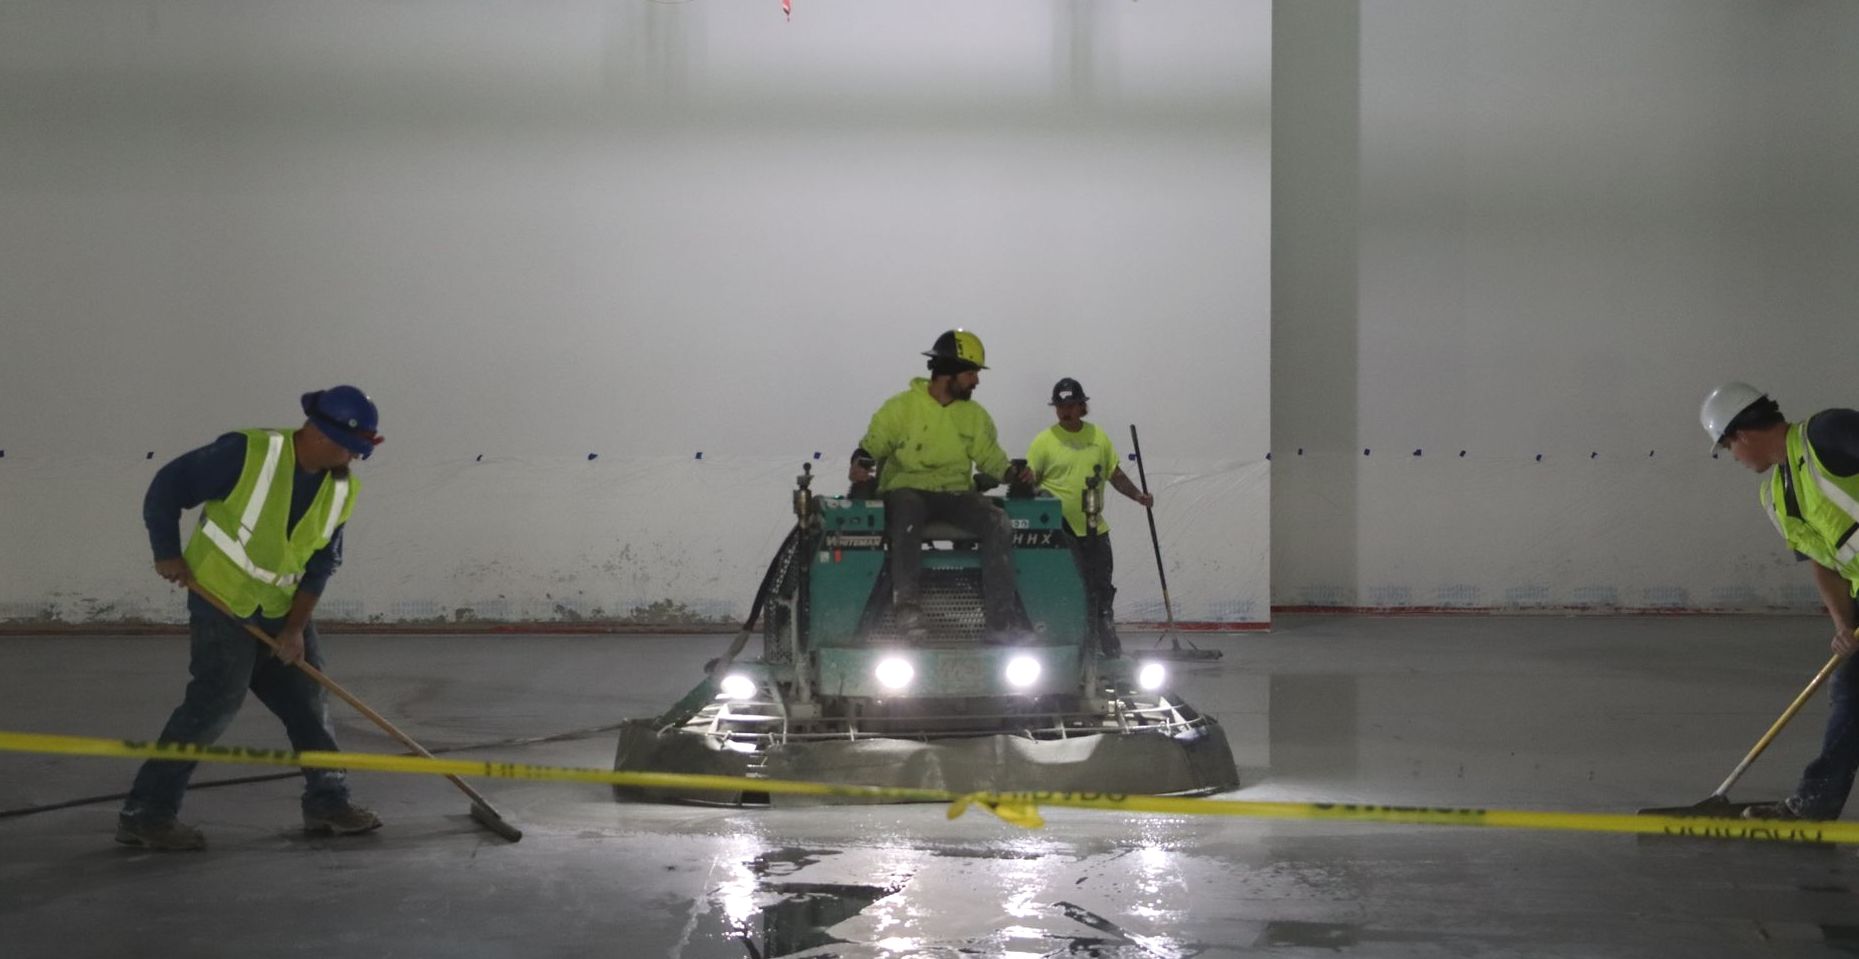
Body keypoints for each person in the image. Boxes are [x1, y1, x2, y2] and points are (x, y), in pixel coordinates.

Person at [116, 386, 385, 850]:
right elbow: (167, 488)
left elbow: (322, 563)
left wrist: (296, 629)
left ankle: (328, 801)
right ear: (318, 433)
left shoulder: (341, 486)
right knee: (213, 707)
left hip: (282, 609)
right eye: (349, 448)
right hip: (222, 600)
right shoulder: (248, 453)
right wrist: (166, 552)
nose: (354, 459)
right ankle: (147, 814)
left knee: (310, 704)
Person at [1702, 382, 1859, 822]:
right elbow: (1823, 564)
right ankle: (1815, 803)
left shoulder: (1828, 433)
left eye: (1728, 448)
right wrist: (1843, 627)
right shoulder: (1774, 496)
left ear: (1742, 435)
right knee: (1851, 688)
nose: (1735, 458)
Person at [850, 330, 1035, 642]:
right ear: (948, 372)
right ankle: (907, 612)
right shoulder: (901, 408)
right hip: (908, 489)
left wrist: (1011, 473)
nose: (976, 381)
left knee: (997, 521)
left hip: (954, 493)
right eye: (971, 373)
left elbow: (990, 457)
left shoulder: (974, 416)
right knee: (906, 513)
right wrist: (861, 463)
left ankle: (1000, 625)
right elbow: (874, 443)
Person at [1025, 378, 1154, 657]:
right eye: (1060, 406)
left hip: (1095, 528)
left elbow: (1115, 475)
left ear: (1082, 406)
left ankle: (1104, 631)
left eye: (1071, 405)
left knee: (1101, 585)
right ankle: (1072, 640)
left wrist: (1138, 496)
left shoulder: (1098, 438)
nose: (1065, 411)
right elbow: (1030, 482)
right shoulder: (1044, 442)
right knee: (1070, 587)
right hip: (1060, 531)